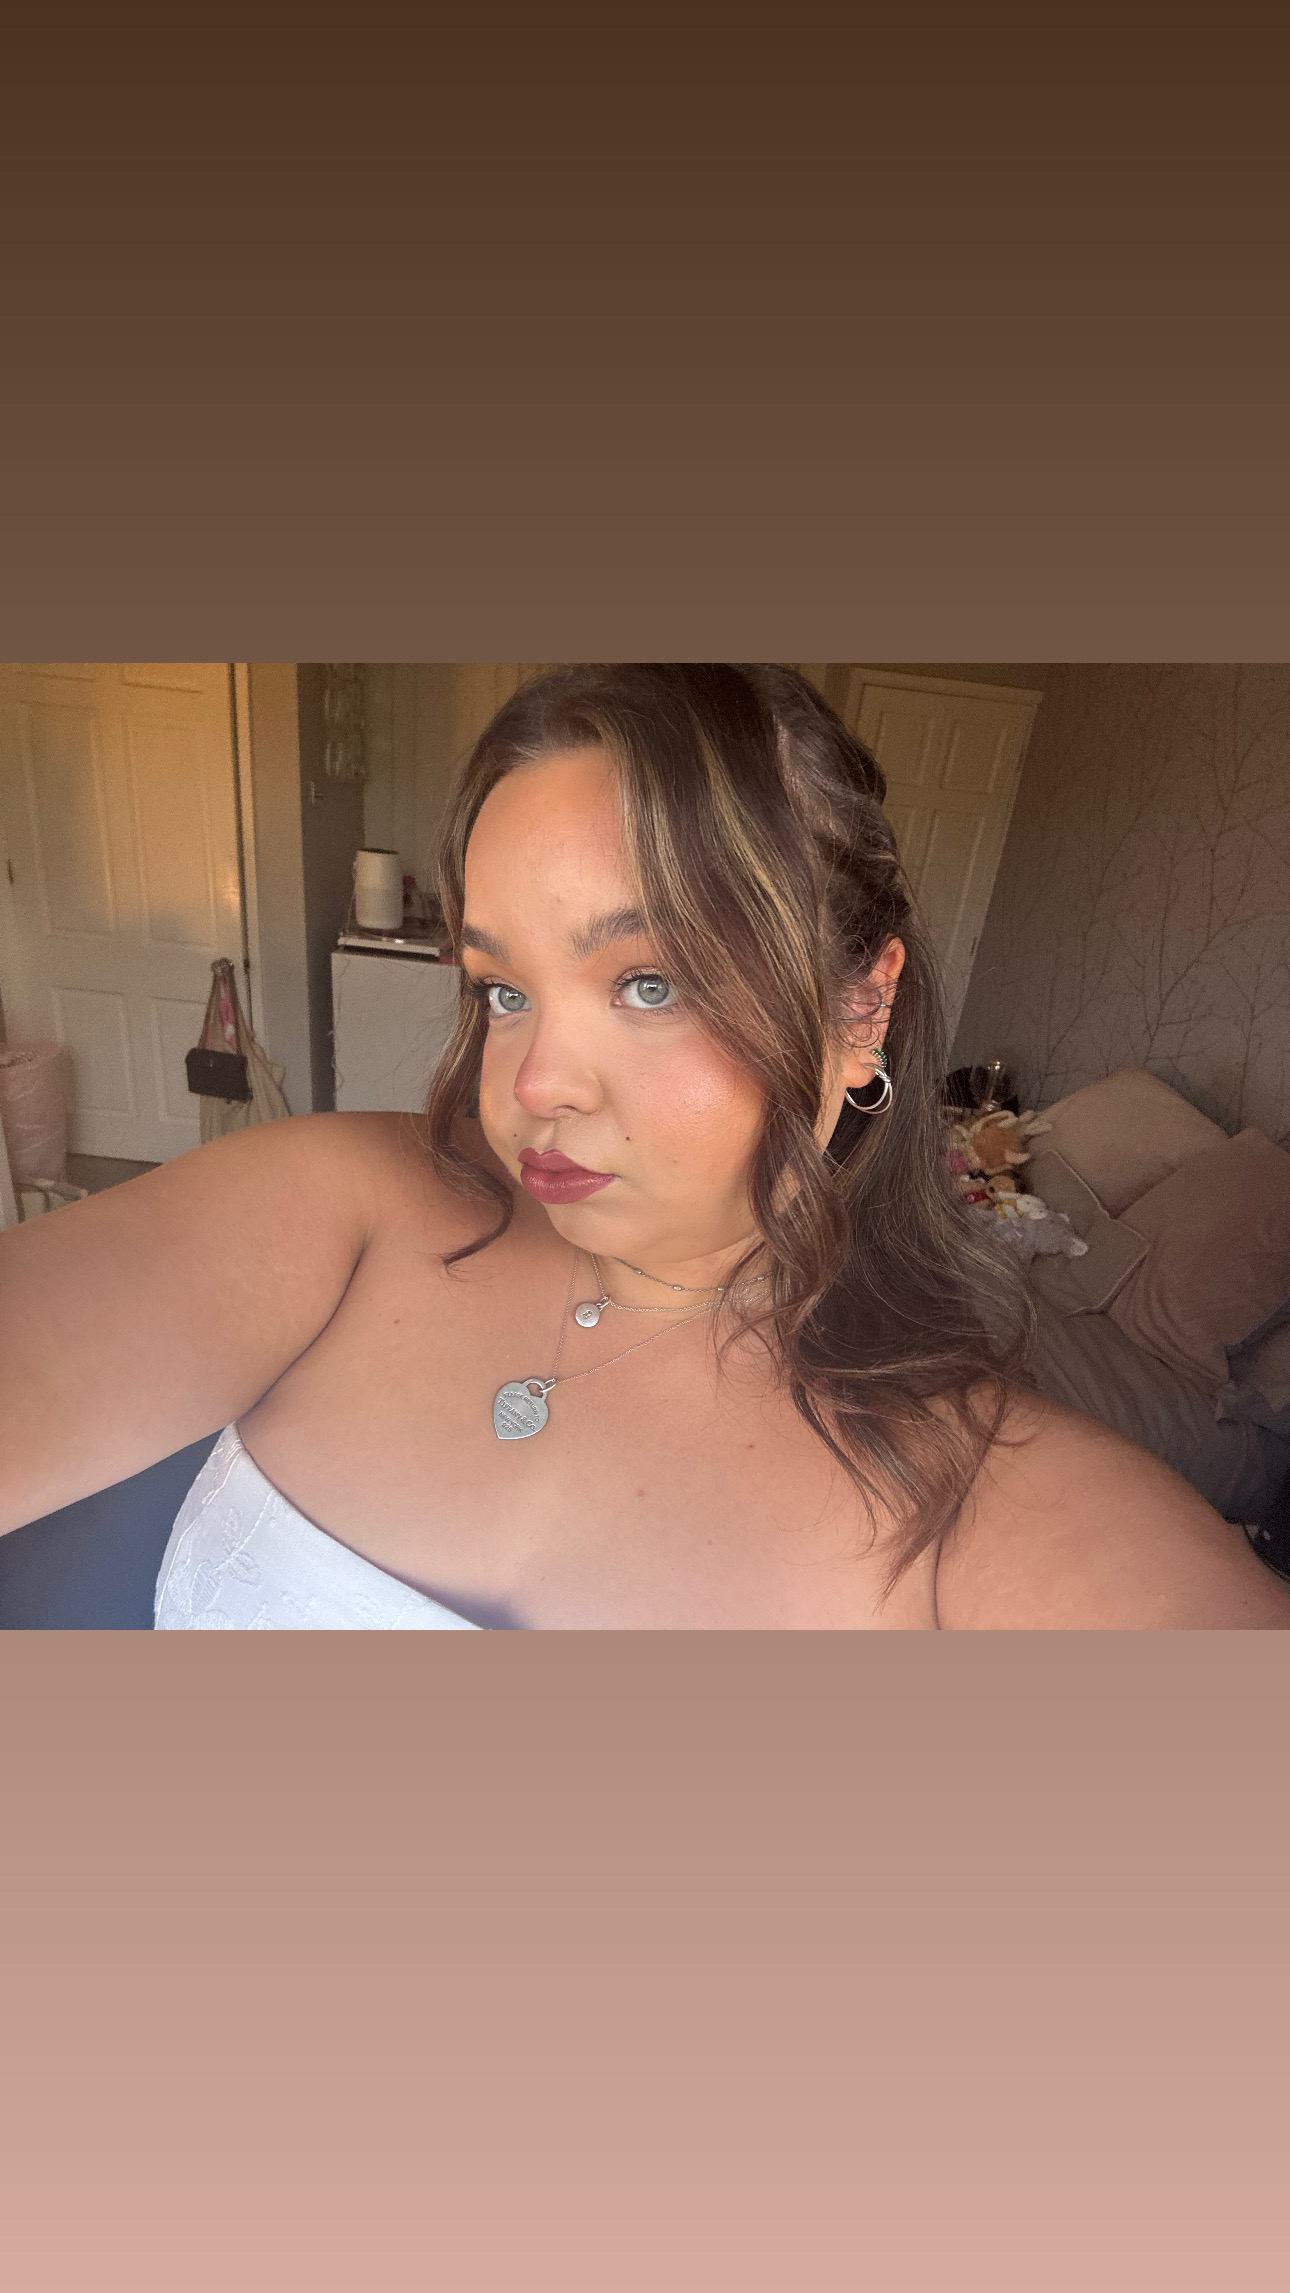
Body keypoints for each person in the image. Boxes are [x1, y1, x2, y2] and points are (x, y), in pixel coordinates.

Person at [3, 664, 1288, 1629]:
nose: (533, 1086)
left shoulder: (981, 1501)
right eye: (504, 990)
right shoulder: (341, 1204)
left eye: (650, 982)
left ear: (861, 1010)